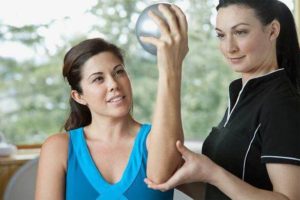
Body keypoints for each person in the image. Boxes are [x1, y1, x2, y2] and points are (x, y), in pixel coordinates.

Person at [145, 0, 300, 199]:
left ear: (272, 31)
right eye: (221, 35)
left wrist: (212, 173)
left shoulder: (282, 105)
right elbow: (221, 193)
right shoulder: (240, 95)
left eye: (240, 32)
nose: (229, 47)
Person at [35, 4, 188, 200]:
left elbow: (168, 178)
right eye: (98, 79)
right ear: (79, 96)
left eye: (119, 72)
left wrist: (171, 65)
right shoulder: (58, 148)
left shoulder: (156, 140)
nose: (114, 84)